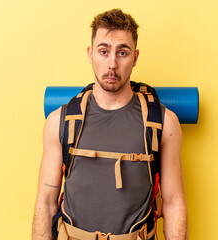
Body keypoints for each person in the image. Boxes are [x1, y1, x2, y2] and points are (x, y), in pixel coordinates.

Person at [32, 9, 187, 240]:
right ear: (90, 54)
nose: (112, 64)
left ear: (135, 57)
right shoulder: (59, 122)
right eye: (103, 51)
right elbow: (45, 202)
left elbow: (173, 204)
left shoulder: (164, 123)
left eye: (122, 53)